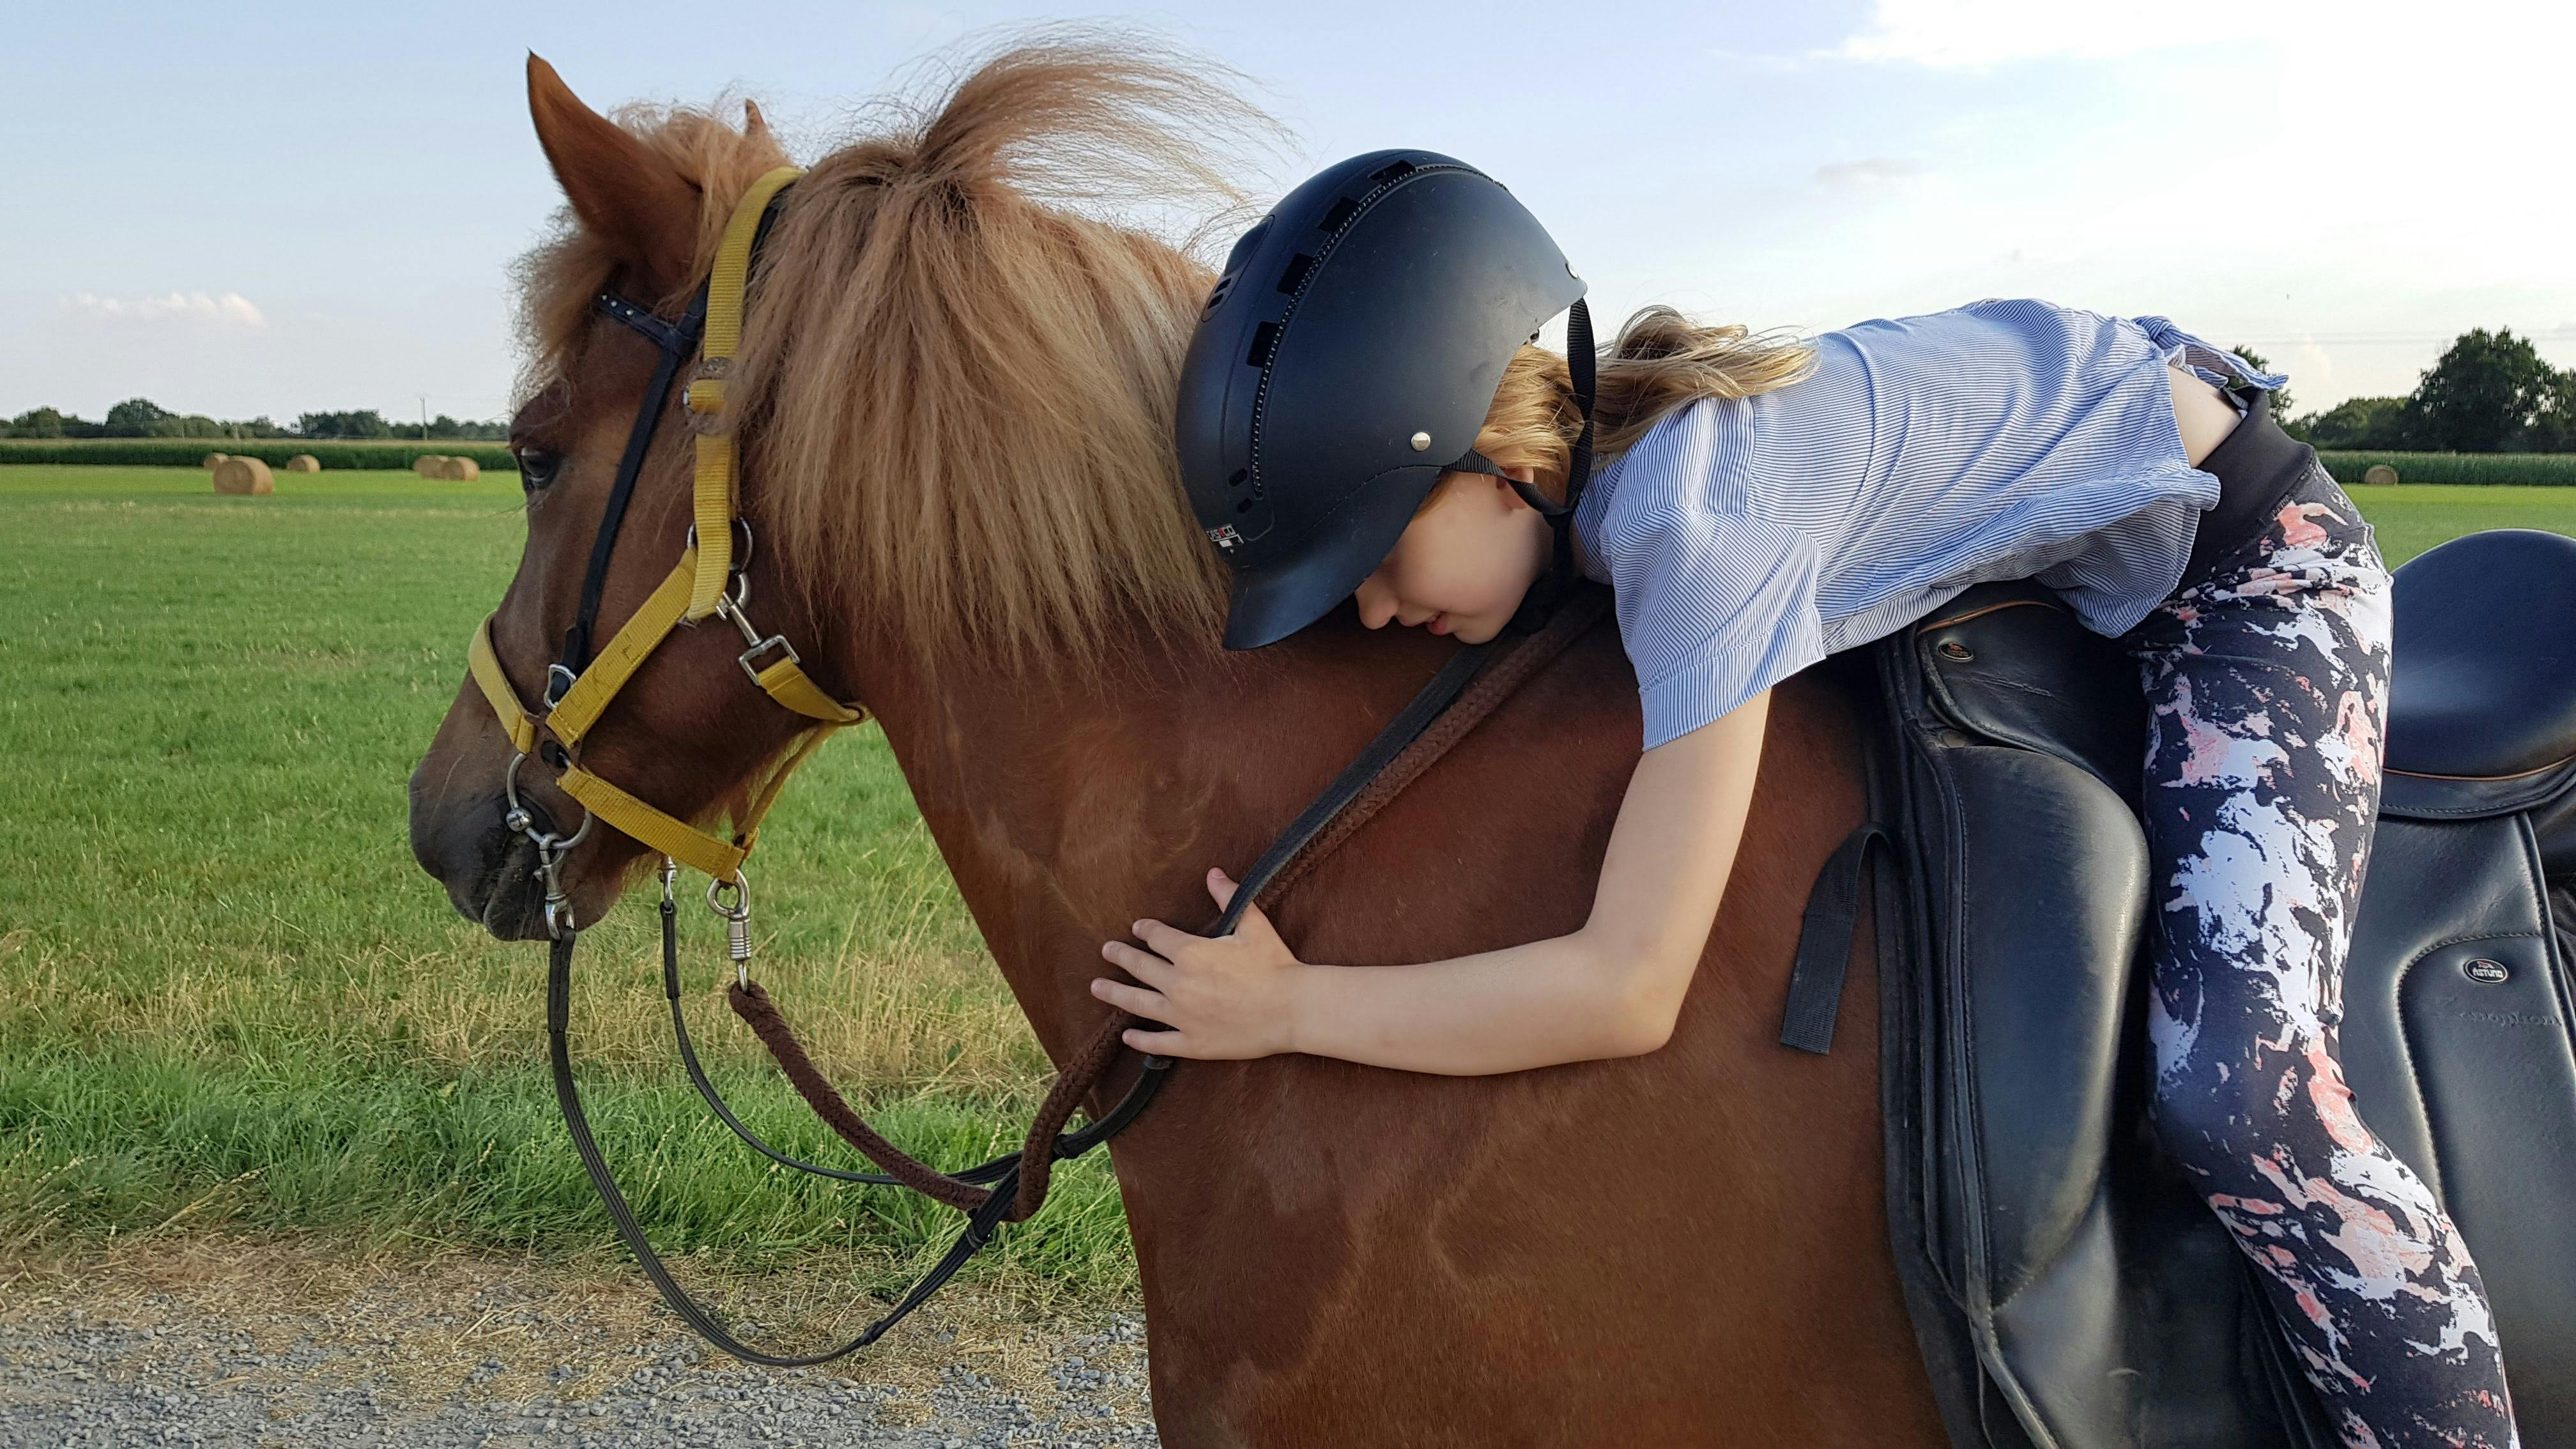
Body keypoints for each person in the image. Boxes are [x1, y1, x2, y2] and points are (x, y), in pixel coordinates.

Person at [1104, 151, 2520, 1448]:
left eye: (1371, 547)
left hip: (2251, 577)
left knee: (2238, 1086)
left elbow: (1626, 987)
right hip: (2103, 548)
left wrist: (1288, 1010)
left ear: (1509, 467)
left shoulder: (1694, 524)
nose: (1363, 604)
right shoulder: (1622, 493)